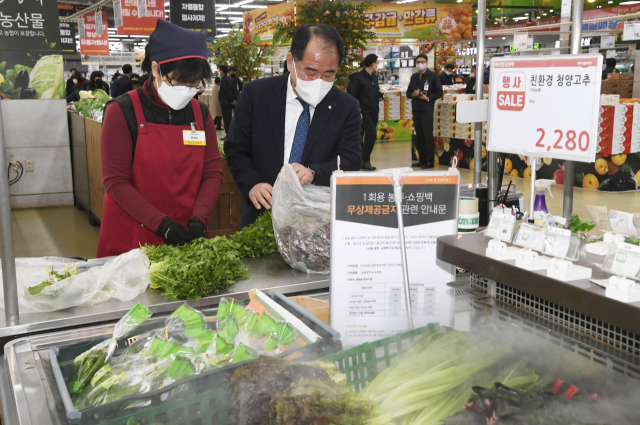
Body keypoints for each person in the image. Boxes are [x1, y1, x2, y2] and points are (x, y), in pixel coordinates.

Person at [97, 20, 224, 257]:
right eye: (179, 81)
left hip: (187, 234)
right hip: (134, 237)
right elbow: (115, 182)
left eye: (194, 83)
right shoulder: (122, 111)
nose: (187, 89)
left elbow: (212, 172)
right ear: (156, 70)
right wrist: (161, 224)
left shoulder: (200, 113)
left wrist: (199, 218)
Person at [225, 23, 362, 227]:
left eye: (328, 75)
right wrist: (252, 183)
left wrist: (315, 172)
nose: (319, 81)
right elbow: (236, 147)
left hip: (316, 222)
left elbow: (350, 160)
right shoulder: (256, 95)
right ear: (291, 61)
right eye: (310, 71)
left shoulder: (346, 107)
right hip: (261, 215)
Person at [348, 54, 384, 171]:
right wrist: (357, 111)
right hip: (364, 112)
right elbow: (352, 96)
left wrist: (380, 95)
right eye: (377, 63)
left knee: (367, 135)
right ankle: (365, 159)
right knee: (372, 134)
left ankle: (361, 160)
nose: (377, 65)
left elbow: (373, 91)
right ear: (373, 64)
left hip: (374, 111)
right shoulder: (358, 78)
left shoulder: (374, 77)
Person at [407, 54, 443, 169]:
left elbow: (439, 92)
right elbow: (408, 93)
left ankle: (429, 161)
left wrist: (428, 98)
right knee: (419, 136)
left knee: (427, 135)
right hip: (416, 109)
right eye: (418, 62)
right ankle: (421, 159)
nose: (420, 64)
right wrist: (414, 94)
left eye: (422, 61)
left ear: (427, 63)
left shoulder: (433, 76)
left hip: (427, 109)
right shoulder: (413, 77)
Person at [218, 64, 235, 134]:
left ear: (222, 71)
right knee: (228, 118)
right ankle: (229, 134)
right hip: (227, 102)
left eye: (220, 70)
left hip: (225, 102)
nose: (219, 71)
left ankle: (228, 135)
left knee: (227, 119)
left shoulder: (225, 80)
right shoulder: (228, 79)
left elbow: (227, 91)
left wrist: (231, 100)